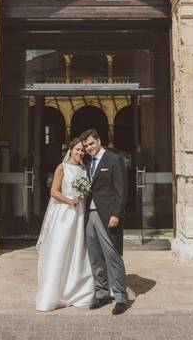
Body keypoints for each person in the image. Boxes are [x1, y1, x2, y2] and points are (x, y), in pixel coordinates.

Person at [34, 138, 94, 311]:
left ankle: (79, 287)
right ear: (70, 149)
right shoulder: (62, 168)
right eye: (77, 149)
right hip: (65, 214)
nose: (80, 153)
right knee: (62, 248)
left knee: (79, 248)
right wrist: (69, 201)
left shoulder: (84, 169)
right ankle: (56, 290)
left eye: (82, 150)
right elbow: (53, 192)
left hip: (81, 213)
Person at [81, 129, 130, 315]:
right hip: (90, 215)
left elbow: (122, 190)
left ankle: (120, 297)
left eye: (91, 144)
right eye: (86, 146)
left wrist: (116, 214)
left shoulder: (114, 159)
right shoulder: (87, 162)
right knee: (95, 256)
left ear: (99, 141)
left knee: (113, 256)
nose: (89, 148)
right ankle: (102, 294)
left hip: (108, 215)